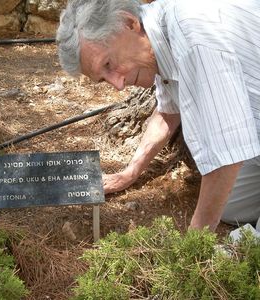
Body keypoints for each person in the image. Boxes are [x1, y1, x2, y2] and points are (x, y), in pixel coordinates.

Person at [56, 0, 260, 231]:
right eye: (103, 78)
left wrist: (194, 245)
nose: (118, 84)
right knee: (231, 209)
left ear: (129, 23)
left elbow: (228, 153)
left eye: (109, 63)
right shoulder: (159, 38)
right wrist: (130, 173)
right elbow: (166, 114)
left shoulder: (193, 34)